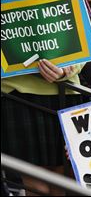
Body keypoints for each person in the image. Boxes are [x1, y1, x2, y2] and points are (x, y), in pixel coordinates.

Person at [1, 60, 84, 195]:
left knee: (61, 182)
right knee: (37, 186)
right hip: (16, 92)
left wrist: (70, 67)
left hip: (65, 90)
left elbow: (86, 44)